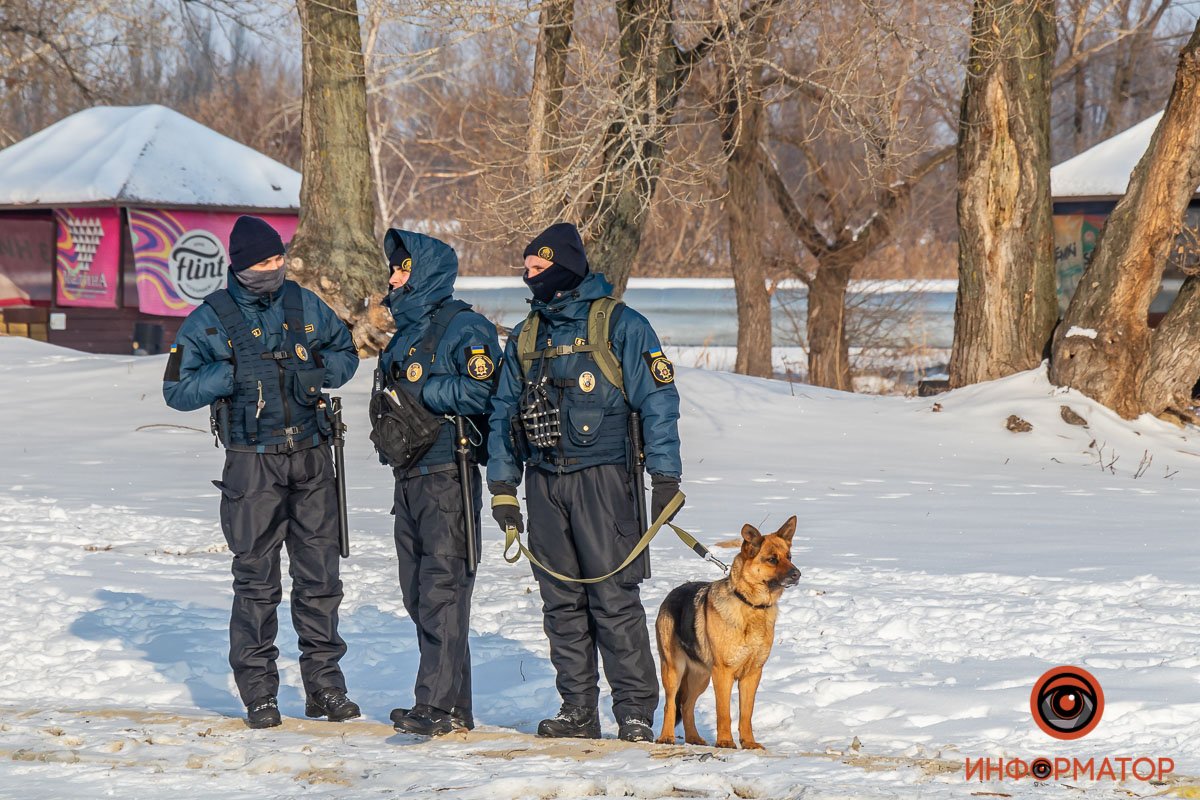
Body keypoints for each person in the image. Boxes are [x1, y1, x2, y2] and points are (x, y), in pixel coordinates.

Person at [486, 222, 683, 743]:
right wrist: (503, 489)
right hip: (544, 482)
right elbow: (503, 413)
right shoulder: (527, 334)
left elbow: (658, 402)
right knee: (562, 604)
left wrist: (665, 477)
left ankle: (636, 712)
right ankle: (577, 709)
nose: (526, 275)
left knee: (613, 599)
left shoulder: (622, 324)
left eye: (535, 267)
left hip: (606, 481)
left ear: (562, 267)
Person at [162, 215, 361, 730]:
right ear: (241, 266)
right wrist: (229, 375)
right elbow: (177, 391)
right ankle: (259, 694)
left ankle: (325, 689)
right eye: (264, 263)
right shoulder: (210, 319)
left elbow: (345, 352)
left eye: (279, 260)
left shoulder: (304, 304)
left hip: (313, 457)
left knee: (320, 579)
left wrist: (318, 372)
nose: (274, 270)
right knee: (256, 581)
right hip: (252, 464)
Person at [374, 229, 500, 737]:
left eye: (402, 269)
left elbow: (482, 390)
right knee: (416, 594)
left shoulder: (465, 326)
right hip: (408, 476)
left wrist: (426, 390)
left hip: (450, 473)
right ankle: (455, 706)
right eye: (393, 269)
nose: (393, 277)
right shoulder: (403, 332)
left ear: (425, 272)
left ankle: (436, 705)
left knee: (442, 592)